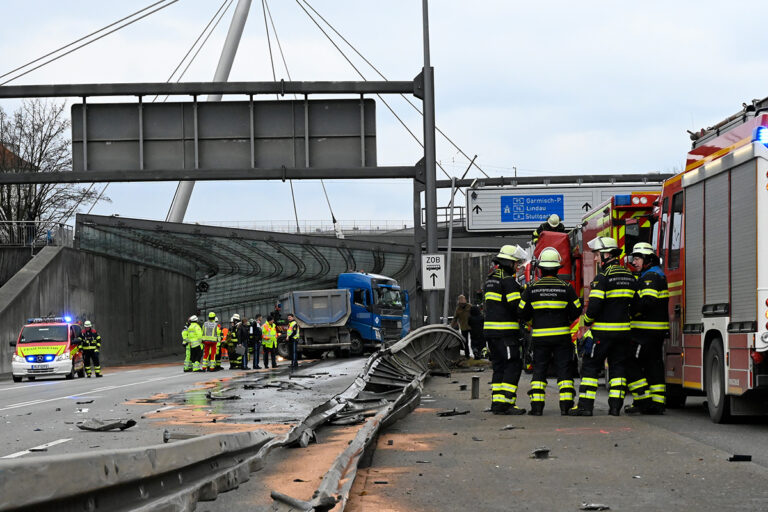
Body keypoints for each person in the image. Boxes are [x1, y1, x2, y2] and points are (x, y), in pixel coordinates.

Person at [570, 236, 637, 416]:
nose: (596, 258)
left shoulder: (602, 278)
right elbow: (636, 305)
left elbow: (594, 307)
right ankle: (615, 408)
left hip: (602, 334)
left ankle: (585, 406)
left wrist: (586, 321)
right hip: (623, 334)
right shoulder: (630, 277)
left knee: (590, 367)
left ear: (607, 254)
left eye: (597, 254)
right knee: (618, 369)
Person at [518, 247, 582, 416]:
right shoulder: (566, 287)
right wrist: (566, 320)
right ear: (557, 268)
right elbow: (577, 310)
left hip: (540, 337)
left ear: (540, 268)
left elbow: (521, 311)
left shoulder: (531, 288)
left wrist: (533, 321)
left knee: (539, 370)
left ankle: (537, 407)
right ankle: (566, 406)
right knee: (564, 370)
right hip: (562, 336)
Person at [625, 242, 669, 415]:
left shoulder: (650, 277)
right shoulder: (657, 274)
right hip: (654, 332)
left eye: (637, 258)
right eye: (633, 258)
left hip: (645, 333)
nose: (634, 262)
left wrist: (631, 311)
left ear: (648, 259)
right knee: (653, 365)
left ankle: (643, 400)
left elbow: (648, 302)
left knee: (629, 361)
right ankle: (657, 403)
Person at [484, 244, 528, 415]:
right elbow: (516, 307)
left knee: (499, 367)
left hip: (491, 332)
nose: (517, 267)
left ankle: (497, 403)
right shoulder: (508, 281)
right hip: (505, 333)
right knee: (513, 365)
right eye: (516, 263)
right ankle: (507, 403)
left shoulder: (491, 279)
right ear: (509, 263)